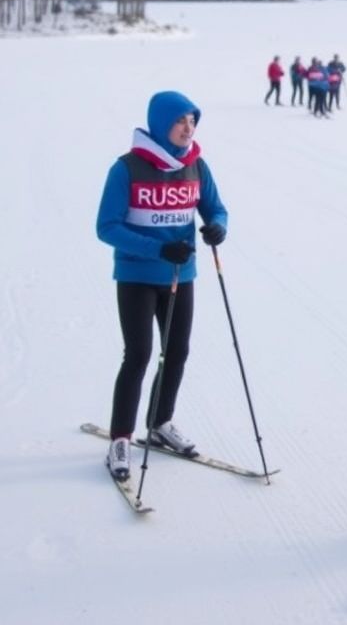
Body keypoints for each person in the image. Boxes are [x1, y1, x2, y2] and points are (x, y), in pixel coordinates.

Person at [96, 90, 228, 481]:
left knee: (177, 352)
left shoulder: (196, 166)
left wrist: (217, 226)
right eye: (180, 121)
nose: (188, 129)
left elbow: (215, 207)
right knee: (138, 355)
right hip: (137, 276)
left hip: (180, 276)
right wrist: (157, 248)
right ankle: (121, 438)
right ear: (160, 124)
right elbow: (107, 227)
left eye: (192, 121)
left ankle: (160, 422)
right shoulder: (127, 169)